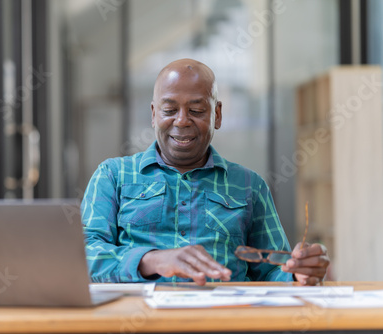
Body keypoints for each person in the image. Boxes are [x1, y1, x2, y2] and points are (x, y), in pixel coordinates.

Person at [81, 58, 329, 286]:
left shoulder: (249, 185)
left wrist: (298, 273)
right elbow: (83, 254)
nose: (182, 121)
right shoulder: (113, 176)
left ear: (217, 115)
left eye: (197, 111)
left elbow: (272, 270)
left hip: (222, 321)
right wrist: (153, 260)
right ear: (154, 114)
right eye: (169, 110)